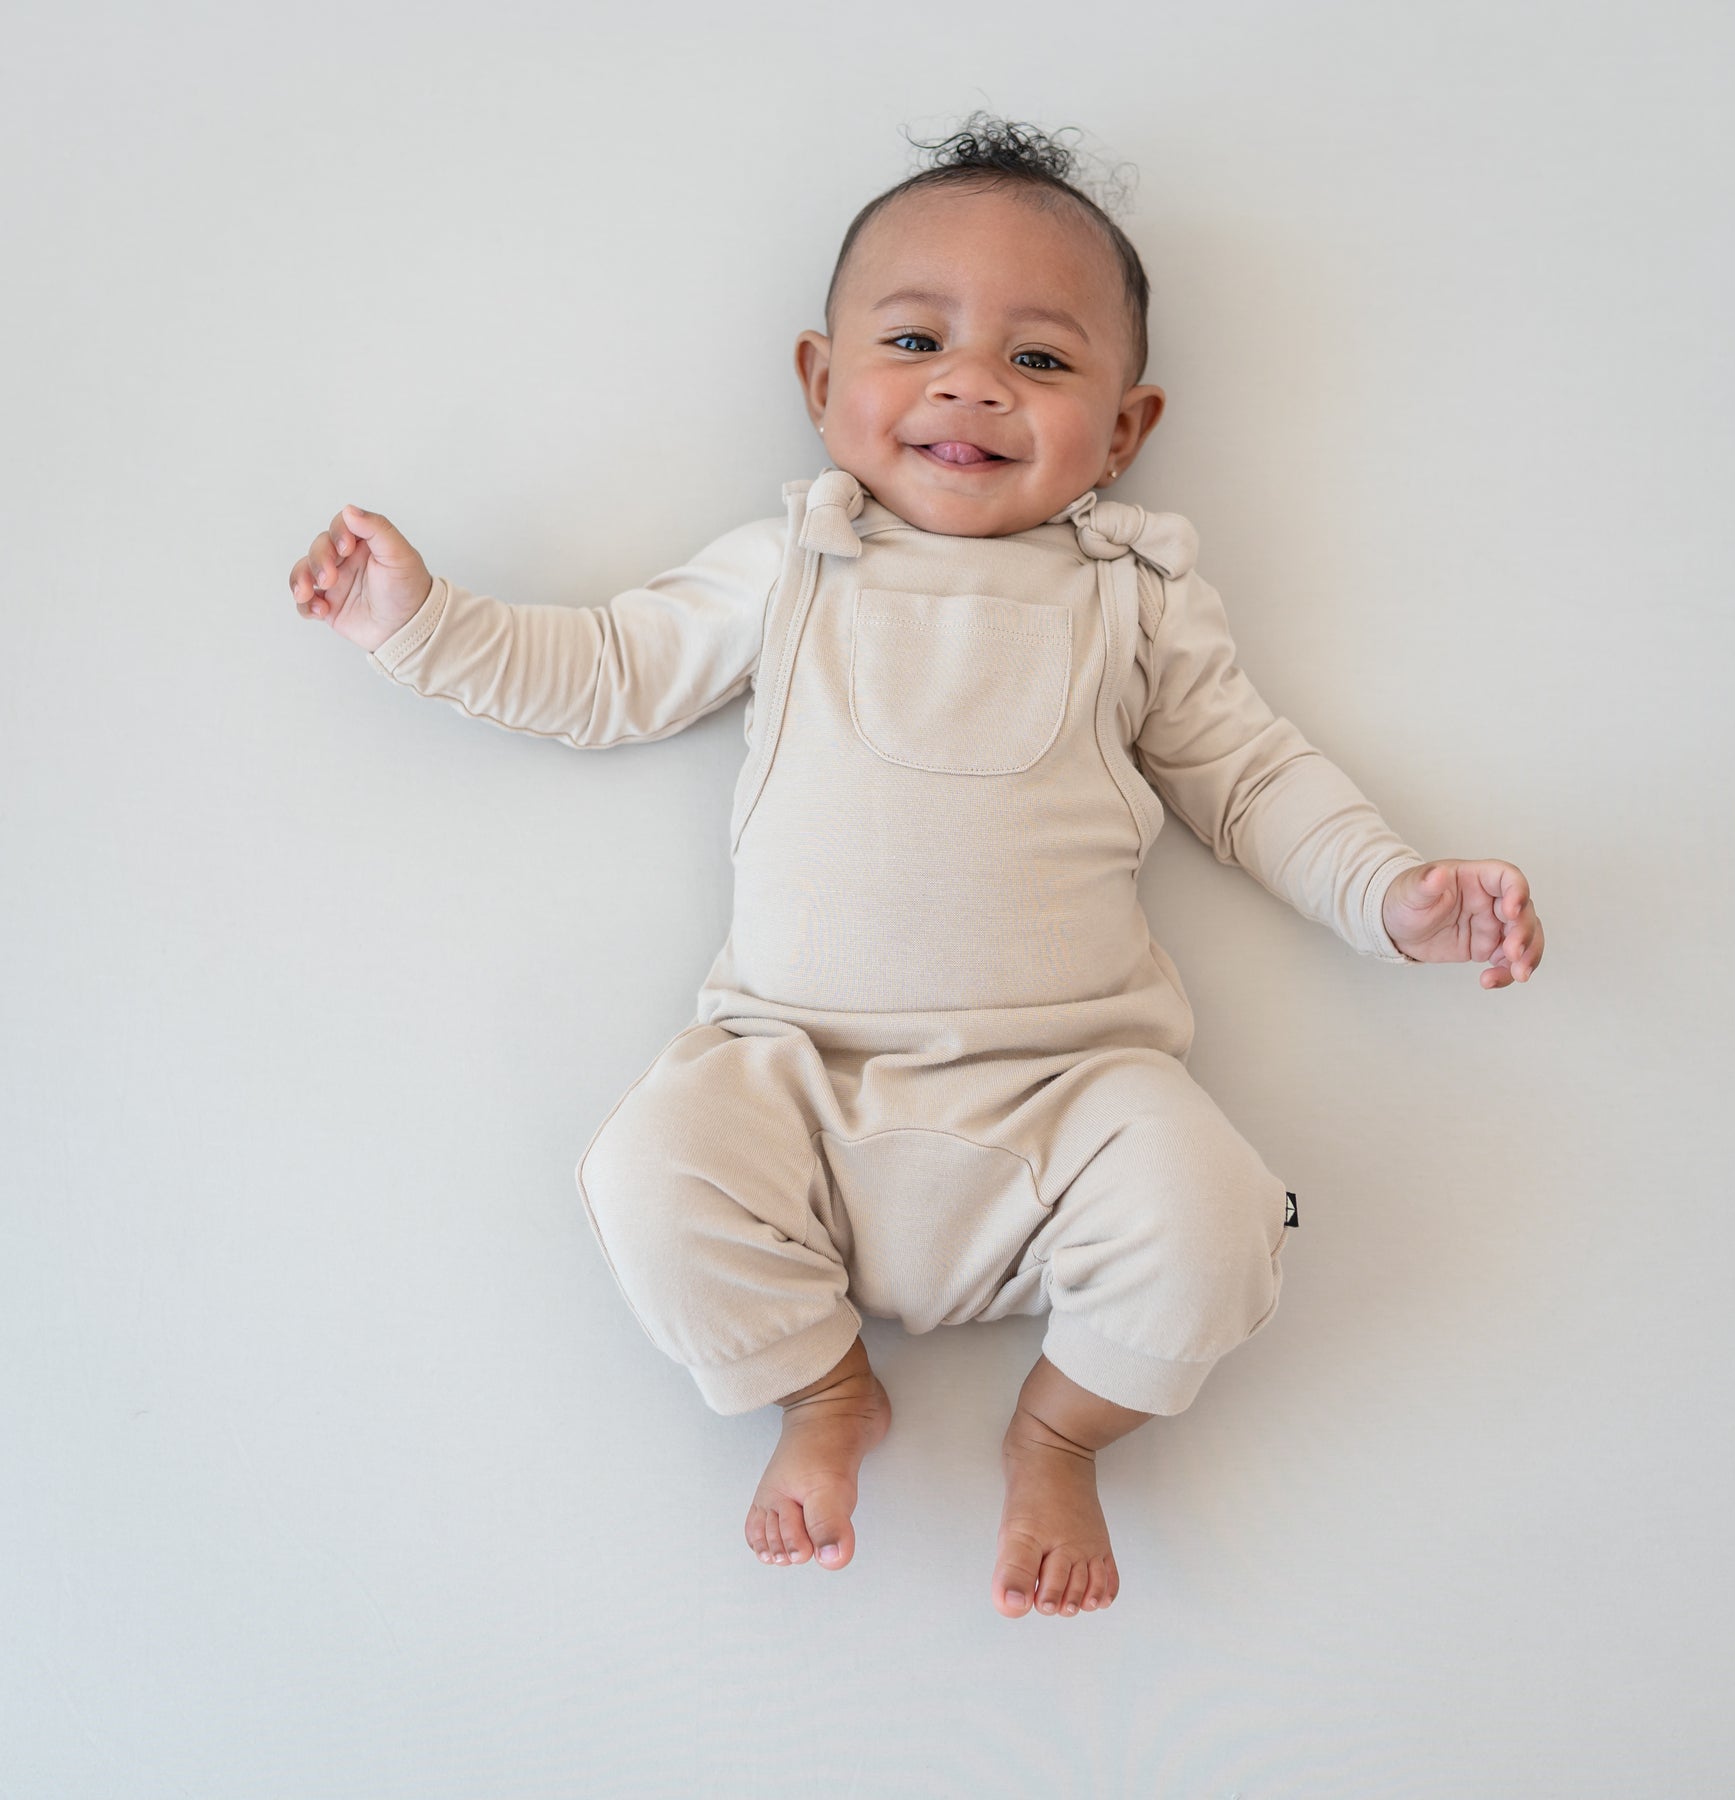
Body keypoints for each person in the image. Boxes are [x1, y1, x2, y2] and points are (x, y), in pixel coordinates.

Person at [286, 114, 1545, 1621]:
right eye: (914, 340)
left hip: (1069, 1093)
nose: (971, 384)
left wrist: (1394, 896)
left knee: (1214, 1217)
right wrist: (421, 624)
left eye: (1041, 359)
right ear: (821, 382)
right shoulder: (793, 563)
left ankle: (1060, 1432)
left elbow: (1253, 780)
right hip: (796, 1080)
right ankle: (823, 1390)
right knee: (646, 1170)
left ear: (1126, 429)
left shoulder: (1136, 599)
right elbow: (611, 670)